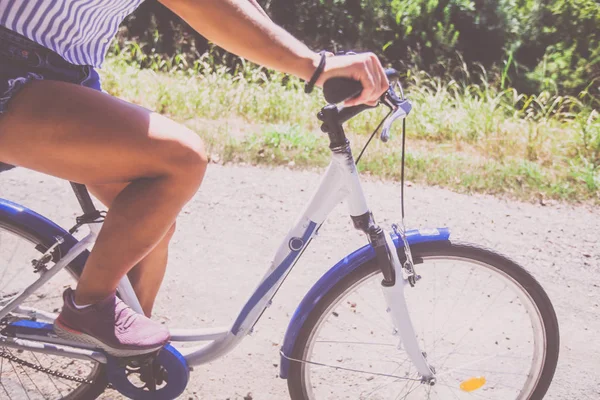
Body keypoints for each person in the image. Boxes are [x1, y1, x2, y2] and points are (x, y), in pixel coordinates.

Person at [0, 0, 389, 357]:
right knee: (180, 161)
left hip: (60, 69)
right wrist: (315, 66)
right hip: (11, 64)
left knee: (150, 225)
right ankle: (88, 309)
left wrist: (313, 59)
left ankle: (119, 358)